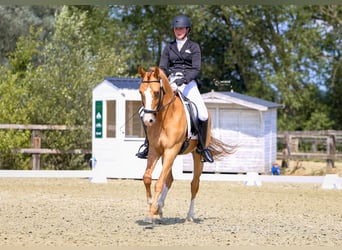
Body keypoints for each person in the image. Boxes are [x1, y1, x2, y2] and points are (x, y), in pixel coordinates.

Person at [136, 15, 214, 163]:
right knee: (143, 111)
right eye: (177, 28)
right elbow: (163, 67)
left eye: (182, 28)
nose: (179, 31)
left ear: (187, 29)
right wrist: (167, 80)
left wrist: (183, 80)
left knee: (203, 114)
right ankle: (148, 144)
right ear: (174, 30)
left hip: (189, 83)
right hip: (170, 82)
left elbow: (196, 69)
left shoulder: (194, 47)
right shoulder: (168, 47)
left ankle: (203, 148)